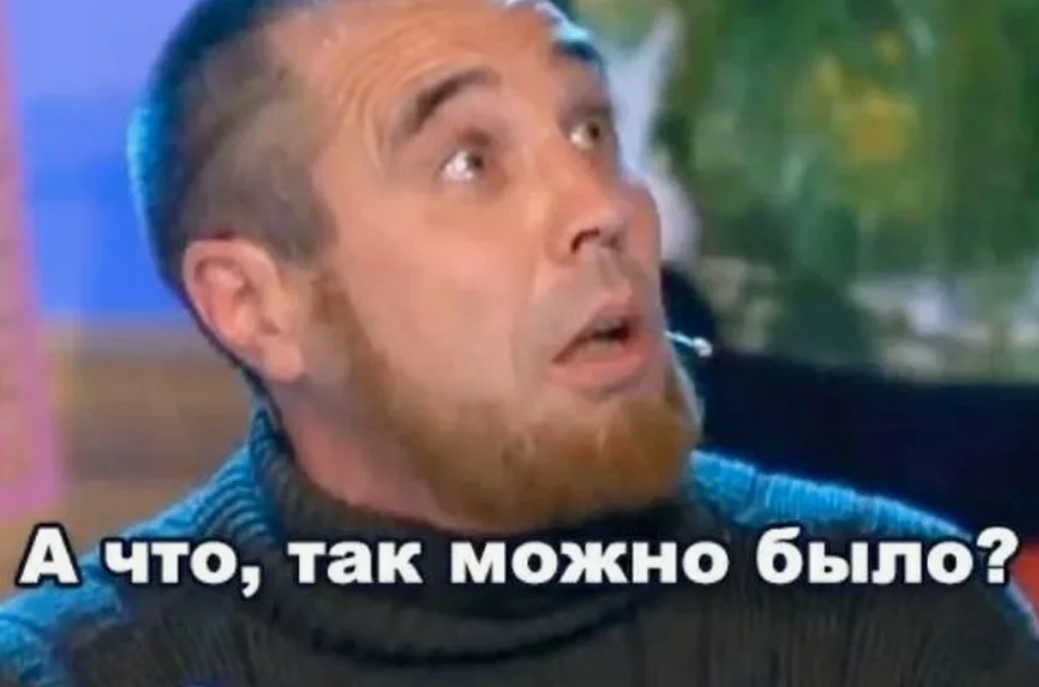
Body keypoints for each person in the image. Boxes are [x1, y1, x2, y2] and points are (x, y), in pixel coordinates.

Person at [1, 0, 1037, 684]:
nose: (603, 208)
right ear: (254, 306)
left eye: (590, 130)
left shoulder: (896, 622)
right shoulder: (71, 668)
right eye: (469, 162)